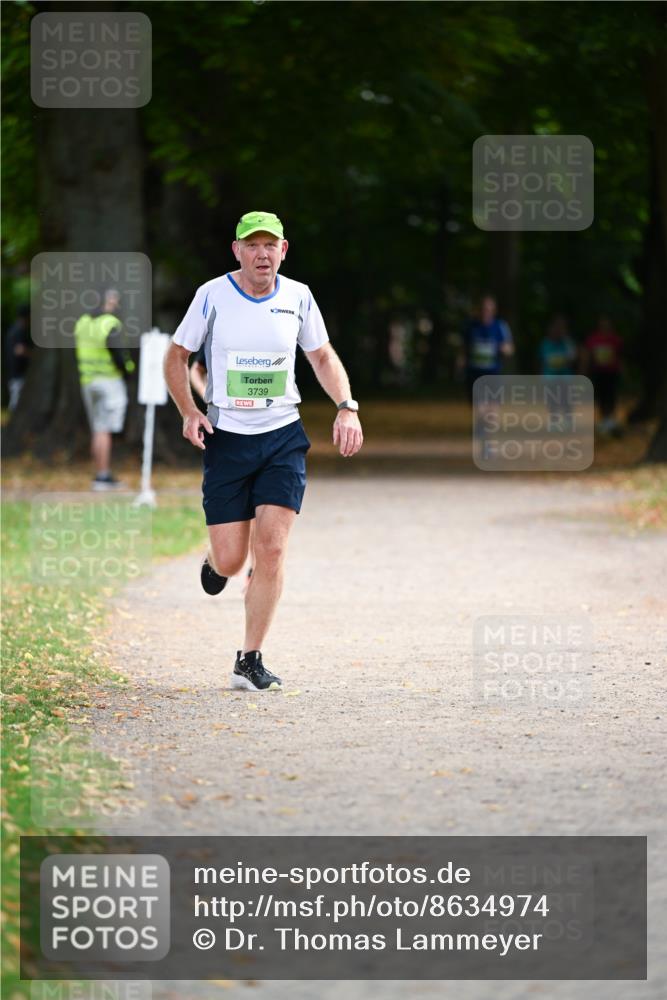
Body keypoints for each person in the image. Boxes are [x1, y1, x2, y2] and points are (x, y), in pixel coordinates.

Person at [164, 210, 363, 692]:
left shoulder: (298, 297)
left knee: (270, 549)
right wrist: (190, 412)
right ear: (237, 251)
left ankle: (249, 658)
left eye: (270, 245)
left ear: (283, 250)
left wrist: (347, 406)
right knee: (233, 561)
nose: (262, 253)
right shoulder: (212, 295)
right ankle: (217, 563)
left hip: (282, 438)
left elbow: (321, 355)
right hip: (228, 439)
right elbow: (177, 356)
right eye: (252, 245)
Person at [189, 345, 255, 592]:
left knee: (267, 509)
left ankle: (255, 571)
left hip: (271, 431)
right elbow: (196, 370)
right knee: (241, 508)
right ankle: (218, 556)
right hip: (227, 432)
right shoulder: (224, 326)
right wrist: (207, 394)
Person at [74, 288, 135, 490]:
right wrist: (129, 371)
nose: (115, 304)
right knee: (105, 430)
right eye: (112, 300)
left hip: (88, 382)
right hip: (109, 382)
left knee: (98, 429)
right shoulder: (110, 324)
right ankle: (103, 477)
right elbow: (119, 355)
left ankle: (99, 473)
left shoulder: (82, 322)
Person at [460, 294, 514, 402]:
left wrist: (505, 349)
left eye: (488, 309)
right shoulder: (470, 326)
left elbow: (510, 348)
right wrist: (460, 361)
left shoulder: (500, 326)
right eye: (483, 309)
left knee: (492, 412)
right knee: (479, 411)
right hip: (474, 374)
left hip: (492, 374)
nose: (485, 312)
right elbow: (463, 347)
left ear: (493, 311)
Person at [583, 315, 623, 435]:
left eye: (607, 324)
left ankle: (610, 420)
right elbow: (588, 355)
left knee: (611, 395)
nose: (604, 326)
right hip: (598, 372)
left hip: (612, 372)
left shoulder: (615, 339)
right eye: (602, 324)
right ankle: (603, 419)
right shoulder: (593, 339)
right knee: (600, 396)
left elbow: (620, 355)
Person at [5, 304, 31, 411]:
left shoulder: (12, 330)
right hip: (18, 374)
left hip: (14, 373)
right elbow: (20, 350)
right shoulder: (19, 330)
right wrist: (32, 355)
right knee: (16, 404)